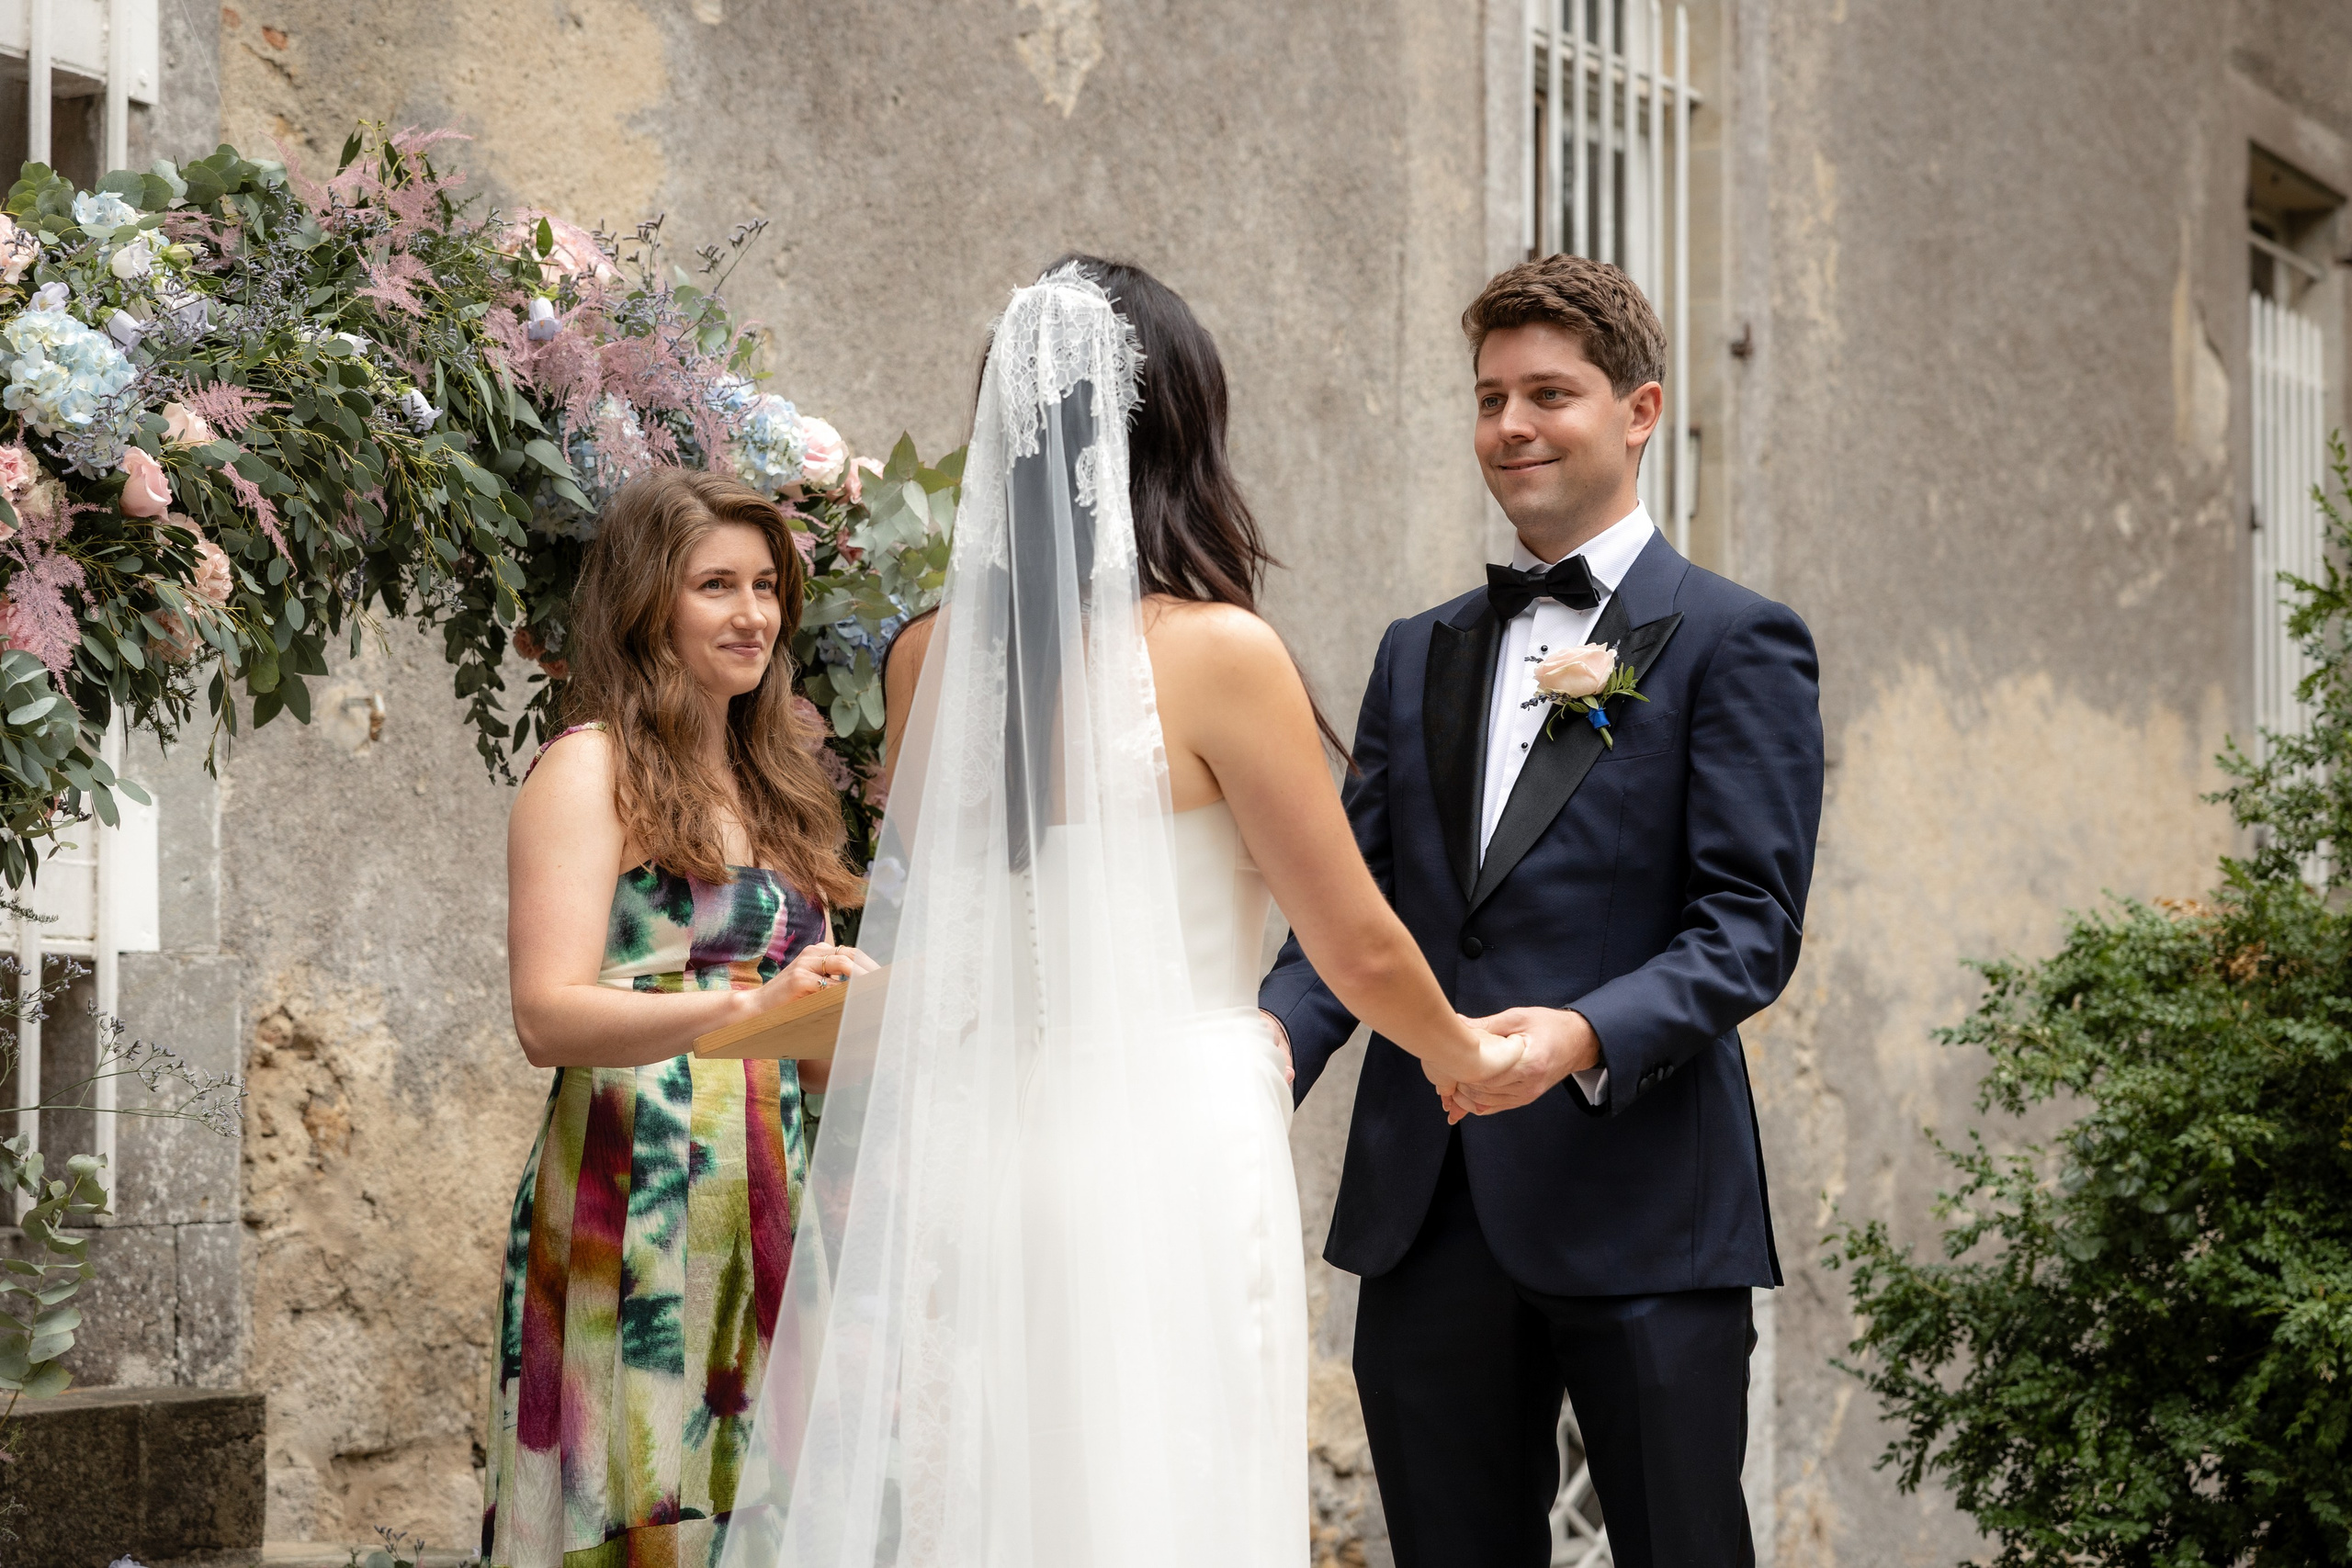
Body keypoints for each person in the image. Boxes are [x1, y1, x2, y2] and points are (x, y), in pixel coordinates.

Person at [718, 260, 1522, 1568]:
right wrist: (1469, 1051)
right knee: (1177, 1490)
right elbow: (1355, 939)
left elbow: (964, 922)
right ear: (1180, 431)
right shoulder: (1221, 653)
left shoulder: (926, 658)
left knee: (1016, 1495)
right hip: (1179, 1131)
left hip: (1004, 1139)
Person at [1258, 254, 1824, 1567]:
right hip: (1427, 1204)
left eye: (1548, 393)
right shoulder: (1421, 647)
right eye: (1489, 396)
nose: (1509, 425)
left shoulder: (1739, 639)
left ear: (1640, 410)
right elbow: (1355, 910)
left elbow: (1749, 924)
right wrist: (1269, 1048)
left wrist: (1572, 1038)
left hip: (1645, 1204)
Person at [483, 468, 877, 1568]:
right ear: (651, 601)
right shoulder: (589, 767)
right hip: (631, 1192)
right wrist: (748, 1005)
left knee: (768, 1512)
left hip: (771, 1186)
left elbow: (805, 1035)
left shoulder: (781, 786)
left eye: (764, 587)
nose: (752, 614)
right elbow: (545, 1017)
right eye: (716, 585)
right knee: (634, 1505)